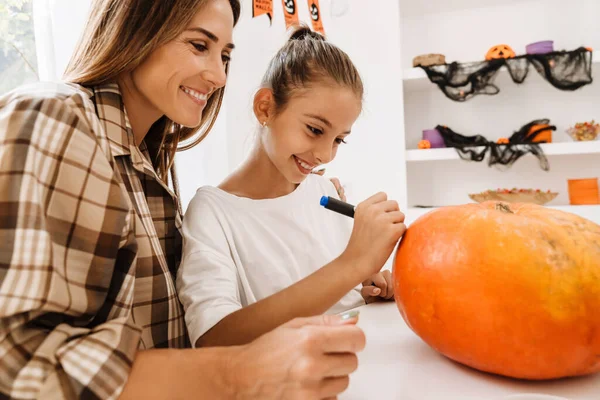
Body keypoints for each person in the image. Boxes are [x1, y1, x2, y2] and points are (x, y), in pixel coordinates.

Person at [0, 1, 368, 399]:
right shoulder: (55, 115)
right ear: (137, 27)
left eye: (225, 55)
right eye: (198, 45)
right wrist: (239, 371)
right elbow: (18, 362)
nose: (219, 75)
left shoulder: (150, 172)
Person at [177, 26, 406, 349]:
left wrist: (370, 286)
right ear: (265, 108)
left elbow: (342, 300)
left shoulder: (325, 193)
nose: (325, 154)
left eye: (338, 139)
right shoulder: (213, 212)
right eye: (315, 129)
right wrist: (352, 264)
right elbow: (214, 337)